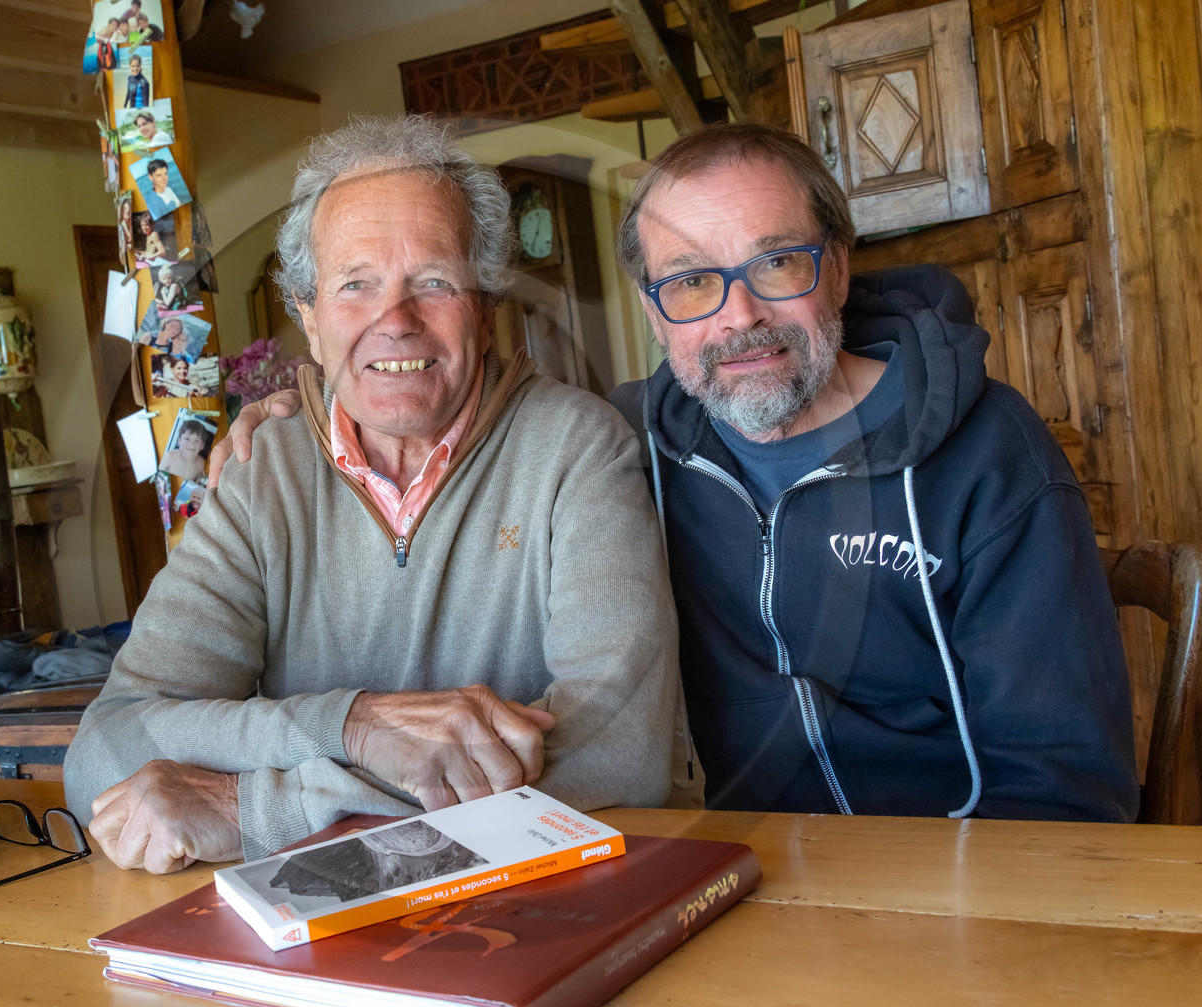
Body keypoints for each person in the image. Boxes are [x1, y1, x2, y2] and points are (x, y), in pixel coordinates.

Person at [212, 121, 1139, 823]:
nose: (738, 317)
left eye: (777, 263)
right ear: (655, 312)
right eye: (691, 281)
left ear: (837, 269)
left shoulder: (988, 453)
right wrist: (298, 412)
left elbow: (1067, 786)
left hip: (956, 879)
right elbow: (449, 410)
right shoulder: (628, 446)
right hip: (726, 875)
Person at [64, 114, 679, 873]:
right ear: (309, 317)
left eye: (433, 281)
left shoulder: (578, 448)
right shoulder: (260, 474)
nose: (396, 321)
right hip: (309, 922)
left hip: (546, 900)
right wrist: (352, 726)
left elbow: (617, 758)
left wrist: (255, 808)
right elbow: (106, 751)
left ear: (485, 307)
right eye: (356, 284)